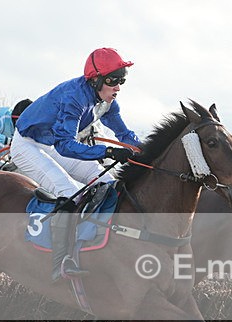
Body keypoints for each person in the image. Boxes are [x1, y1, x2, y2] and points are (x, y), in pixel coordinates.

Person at [10, 47, 140, 281]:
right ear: (96, 80)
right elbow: (66, 146)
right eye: (113, 80)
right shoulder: (74, 98)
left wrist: (145, 153)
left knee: (109, 182)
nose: (118, 87)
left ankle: (104, 248)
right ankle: (61, 262)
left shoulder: (108, 101)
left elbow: (124, 134)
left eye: (122, 80)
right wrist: (108, 151)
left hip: (50, 143)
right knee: (70, 192)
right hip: (27, 145)